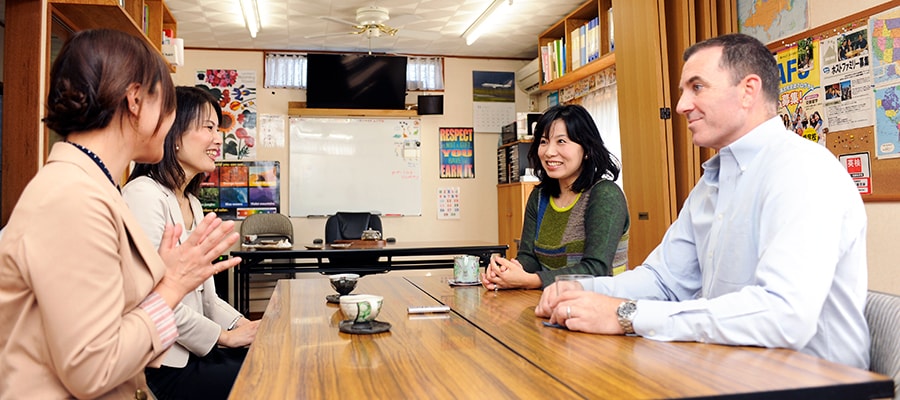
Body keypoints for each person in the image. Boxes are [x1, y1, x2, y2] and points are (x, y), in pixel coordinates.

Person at [535, 33, 870, 369]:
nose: (681, 105)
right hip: (730, 370)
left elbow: (783, 315)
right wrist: (580, 290)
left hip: (815, 381)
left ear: (748, 91)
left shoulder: (802, 170)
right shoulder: (712, 183)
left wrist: (626, 314)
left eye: (697, 87)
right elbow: (664, 280)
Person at [0, 29, 241, 399]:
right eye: (166, 104)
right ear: (135, 101)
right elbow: (93, 367)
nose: (170, 119)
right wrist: (172, 286)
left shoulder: (93, 186)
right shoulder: (73, 197)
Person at [122, 86, 260, 399]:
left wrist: (243, 325)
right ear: (174, 131)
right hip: (162, 363)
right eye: (208, 128)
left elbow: (205, 298)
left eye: (218, 129)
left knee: (269, 356)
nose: (217, 139)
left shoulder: (192, 202)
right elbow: (151, 299)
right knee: (264, 377)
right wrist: (224, 338)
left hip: (195, 350)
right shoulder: (143, 195)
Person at [481, 104, 630, 290]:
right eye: (544, 142)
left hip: (600, 305)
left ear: (587, 149)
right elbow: (530, 257)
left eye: (561, 141)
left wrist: (532, 280)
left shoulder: (605, 195)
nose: (549, 152)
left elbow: (596, 269)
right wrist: (508, 271)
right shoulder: (539, 196)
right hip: (550, 302)